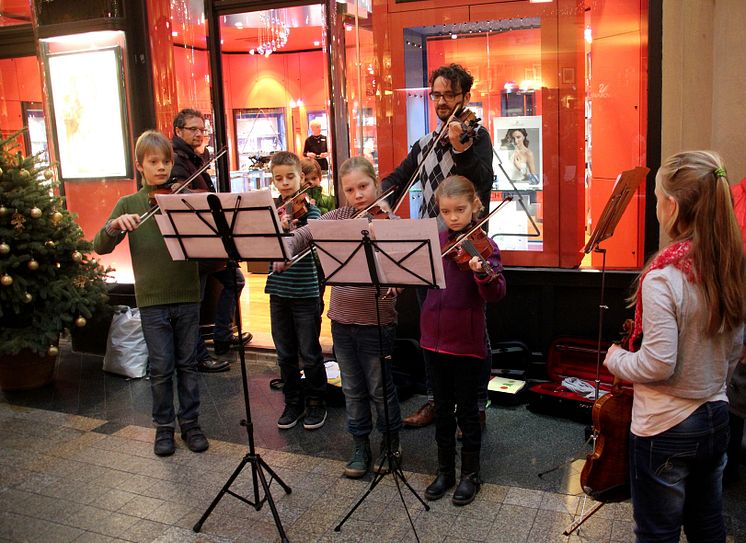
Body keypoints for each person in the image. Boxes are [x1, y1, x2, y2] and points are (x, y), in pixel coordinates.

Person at [603, 151, 746, 542]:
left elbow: (657, 364)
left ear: (672, 206)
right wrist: (710, 382)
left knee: (657, 533)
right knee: (707, 524)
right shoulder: (730, 263)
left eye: (654, 197)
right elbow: (735, 348)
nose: (654, 207)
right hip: (717, 415)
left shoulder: (664, 278)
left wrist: (615, 359)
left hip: (665, 426)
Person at [381, 63, 494, 429]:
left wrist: (461, 147)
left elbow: (481, 181)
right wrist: (379, 197)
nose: (442, 102)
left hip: (466, 249)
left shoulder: (478, 140)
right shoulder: (426, 143)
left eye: (450, 95)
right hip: (431, 246)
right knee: (430, 326)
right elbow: (399, 178)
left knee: (474, 329)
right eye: (437, 95)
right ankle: (436, 399)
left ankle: (475, 403)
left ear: (465, 97)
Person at [277, 156, 402, 478]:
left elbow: (404, 272)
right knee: (352, 389)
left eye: (363, 186)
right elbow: (305, 234)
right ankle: (360, 445)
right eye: (350, 189)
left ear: (376, 184)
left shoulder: (391, 221)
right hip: (342, 320)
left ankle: (390, 443)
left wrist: (396, 283)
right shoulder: (340, 217)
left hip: (377, 322)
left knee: (379, 389)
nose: (358, 195)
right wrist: (285, 247)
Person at [93, 130, 210, 457]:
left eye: (166, 162)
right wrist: (115, 225)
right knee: (161, 367)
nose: (161, 168)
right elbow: (99, 246)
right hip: (152, 299)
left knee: (188, 364)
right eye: (153, 162)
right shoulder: (128, 204)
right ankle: (164, 428)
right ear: (140, 166)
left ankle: (191, 424)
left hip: (187, 294)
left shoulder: (182, 199)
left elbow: (206, 241)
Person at [421, 175, 506, 506]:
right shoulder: (434, 241)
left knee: (468, 412)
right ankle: (445, 471)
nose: (453, 218)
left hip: (467, 343)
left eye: (460, 210)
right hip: (432, 340)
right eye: (445, 211)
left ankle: (471, 474)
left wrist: (481, 272)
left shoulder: (484, 246)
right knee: (441, 410)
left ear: (475, 207)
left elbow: (497, 292)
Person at [171, 108, 249, 373]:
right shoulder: (176, 158)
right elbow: (183, 195)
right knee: (195, 300)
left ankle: (222, 336)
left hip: (209, 239)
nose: (199, 134)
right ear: (178, 131)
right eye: (193, 129)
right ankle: (198, 355)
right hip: (195, 241)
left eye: (202, 130)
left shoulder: (195, 157)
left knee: (235, 280)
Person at [267, 151, 328, 431]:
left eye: (290, 177)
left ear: (300, 177)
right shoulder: (270, 211)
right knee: (285, 352)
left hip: (305, 291)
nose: (285, 183)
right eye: (278, 179)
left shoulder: (311, 211)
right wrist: (274, 231)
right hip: (278, 290)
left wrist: (289, 233)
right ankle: (292, 401)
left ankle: (317, 401)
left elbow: (309, 241)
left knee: (310, 350)